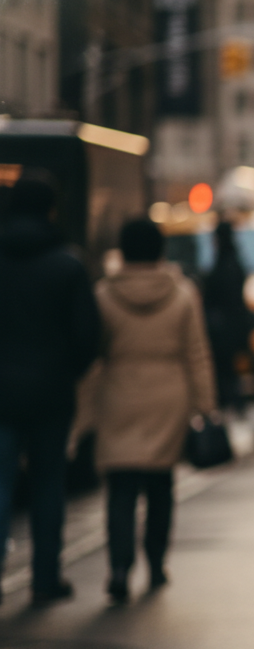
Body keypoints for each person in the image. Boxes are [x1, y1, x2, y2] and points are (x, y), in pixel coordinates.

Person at [94, 220, 216, 602]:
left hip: (119, 394)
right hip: (169, 396)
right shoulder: (181, 294)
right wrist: (206, 405)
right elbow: (197, 353)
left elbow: (93, 357)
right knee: (160, 485)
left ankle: (118, 566)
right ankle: (157, 562)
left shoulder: (103, 295)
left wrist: (83, 412)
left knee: (121, 487)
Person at [0, 176, 101, 605]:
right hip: (52, 392)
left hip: (1, 392)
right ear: (50, 211)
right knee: (48, 482)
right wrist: (67, 371)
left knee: (0, 485)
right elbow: (88, 337)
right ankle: (45, 578)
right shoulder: (68, 264)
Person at [201, 221, 254, 414]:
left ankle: (236, 408)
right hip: (237, 324)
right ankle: (241, 408)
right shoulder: (234, 260)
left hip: (225, 328)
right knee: (235, 371)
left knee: (227, 374)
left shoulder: (224, 264)